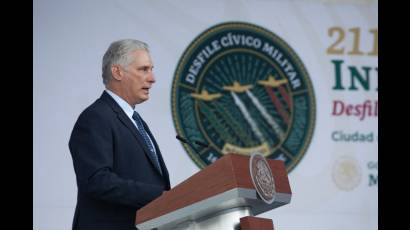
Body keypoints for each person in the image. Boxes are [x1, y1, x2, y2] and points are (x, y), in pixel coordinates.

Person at [69, 39, 170, 230]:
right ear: (117, 72)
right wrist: (159, 196)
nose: (152, 78)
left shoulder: (136, 121)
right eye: (143, 69)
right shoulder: (95, 117)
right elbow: (97, 180)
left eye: (151, 69)